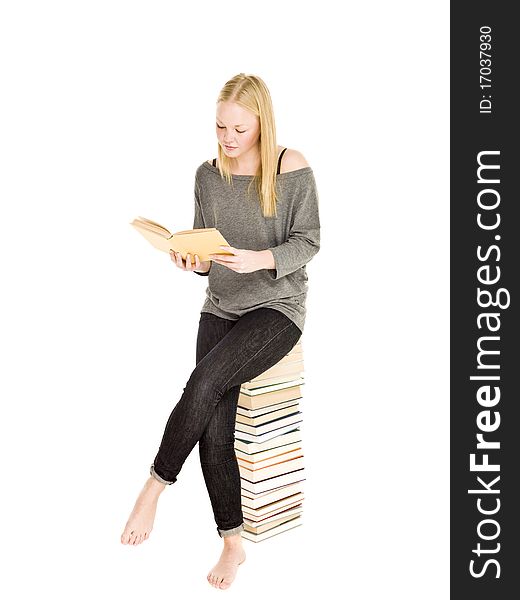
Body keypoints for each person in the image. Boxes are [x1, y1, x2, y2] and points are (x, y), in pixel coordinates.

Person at [120, 73, 321, 590]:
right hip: (221, 306)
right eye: (219, 126)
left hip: (278, 307)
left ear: (261, 123)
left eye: (238, 128)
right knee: (213, 426)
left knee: (203, 384)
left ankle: (153, 487)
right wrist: (189, 260)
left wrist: (263, 258)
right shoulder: (206, 174)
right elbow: (206, 254)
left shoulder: (290, 167)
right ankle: (233, 543)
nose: (227, 137)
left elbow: (310, 242)